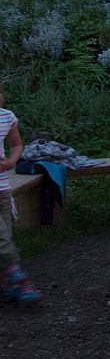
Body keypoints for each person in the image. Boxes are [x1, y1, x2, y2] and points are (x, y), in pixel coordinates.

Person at [0, 80, 42, 305]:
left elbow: (17, 145)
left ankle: (6, 287)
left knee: (6, 233)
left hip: (3, 189)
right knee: (2, 238)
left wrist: (11, 161)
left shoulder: (7, 117)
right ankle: (20, 278)